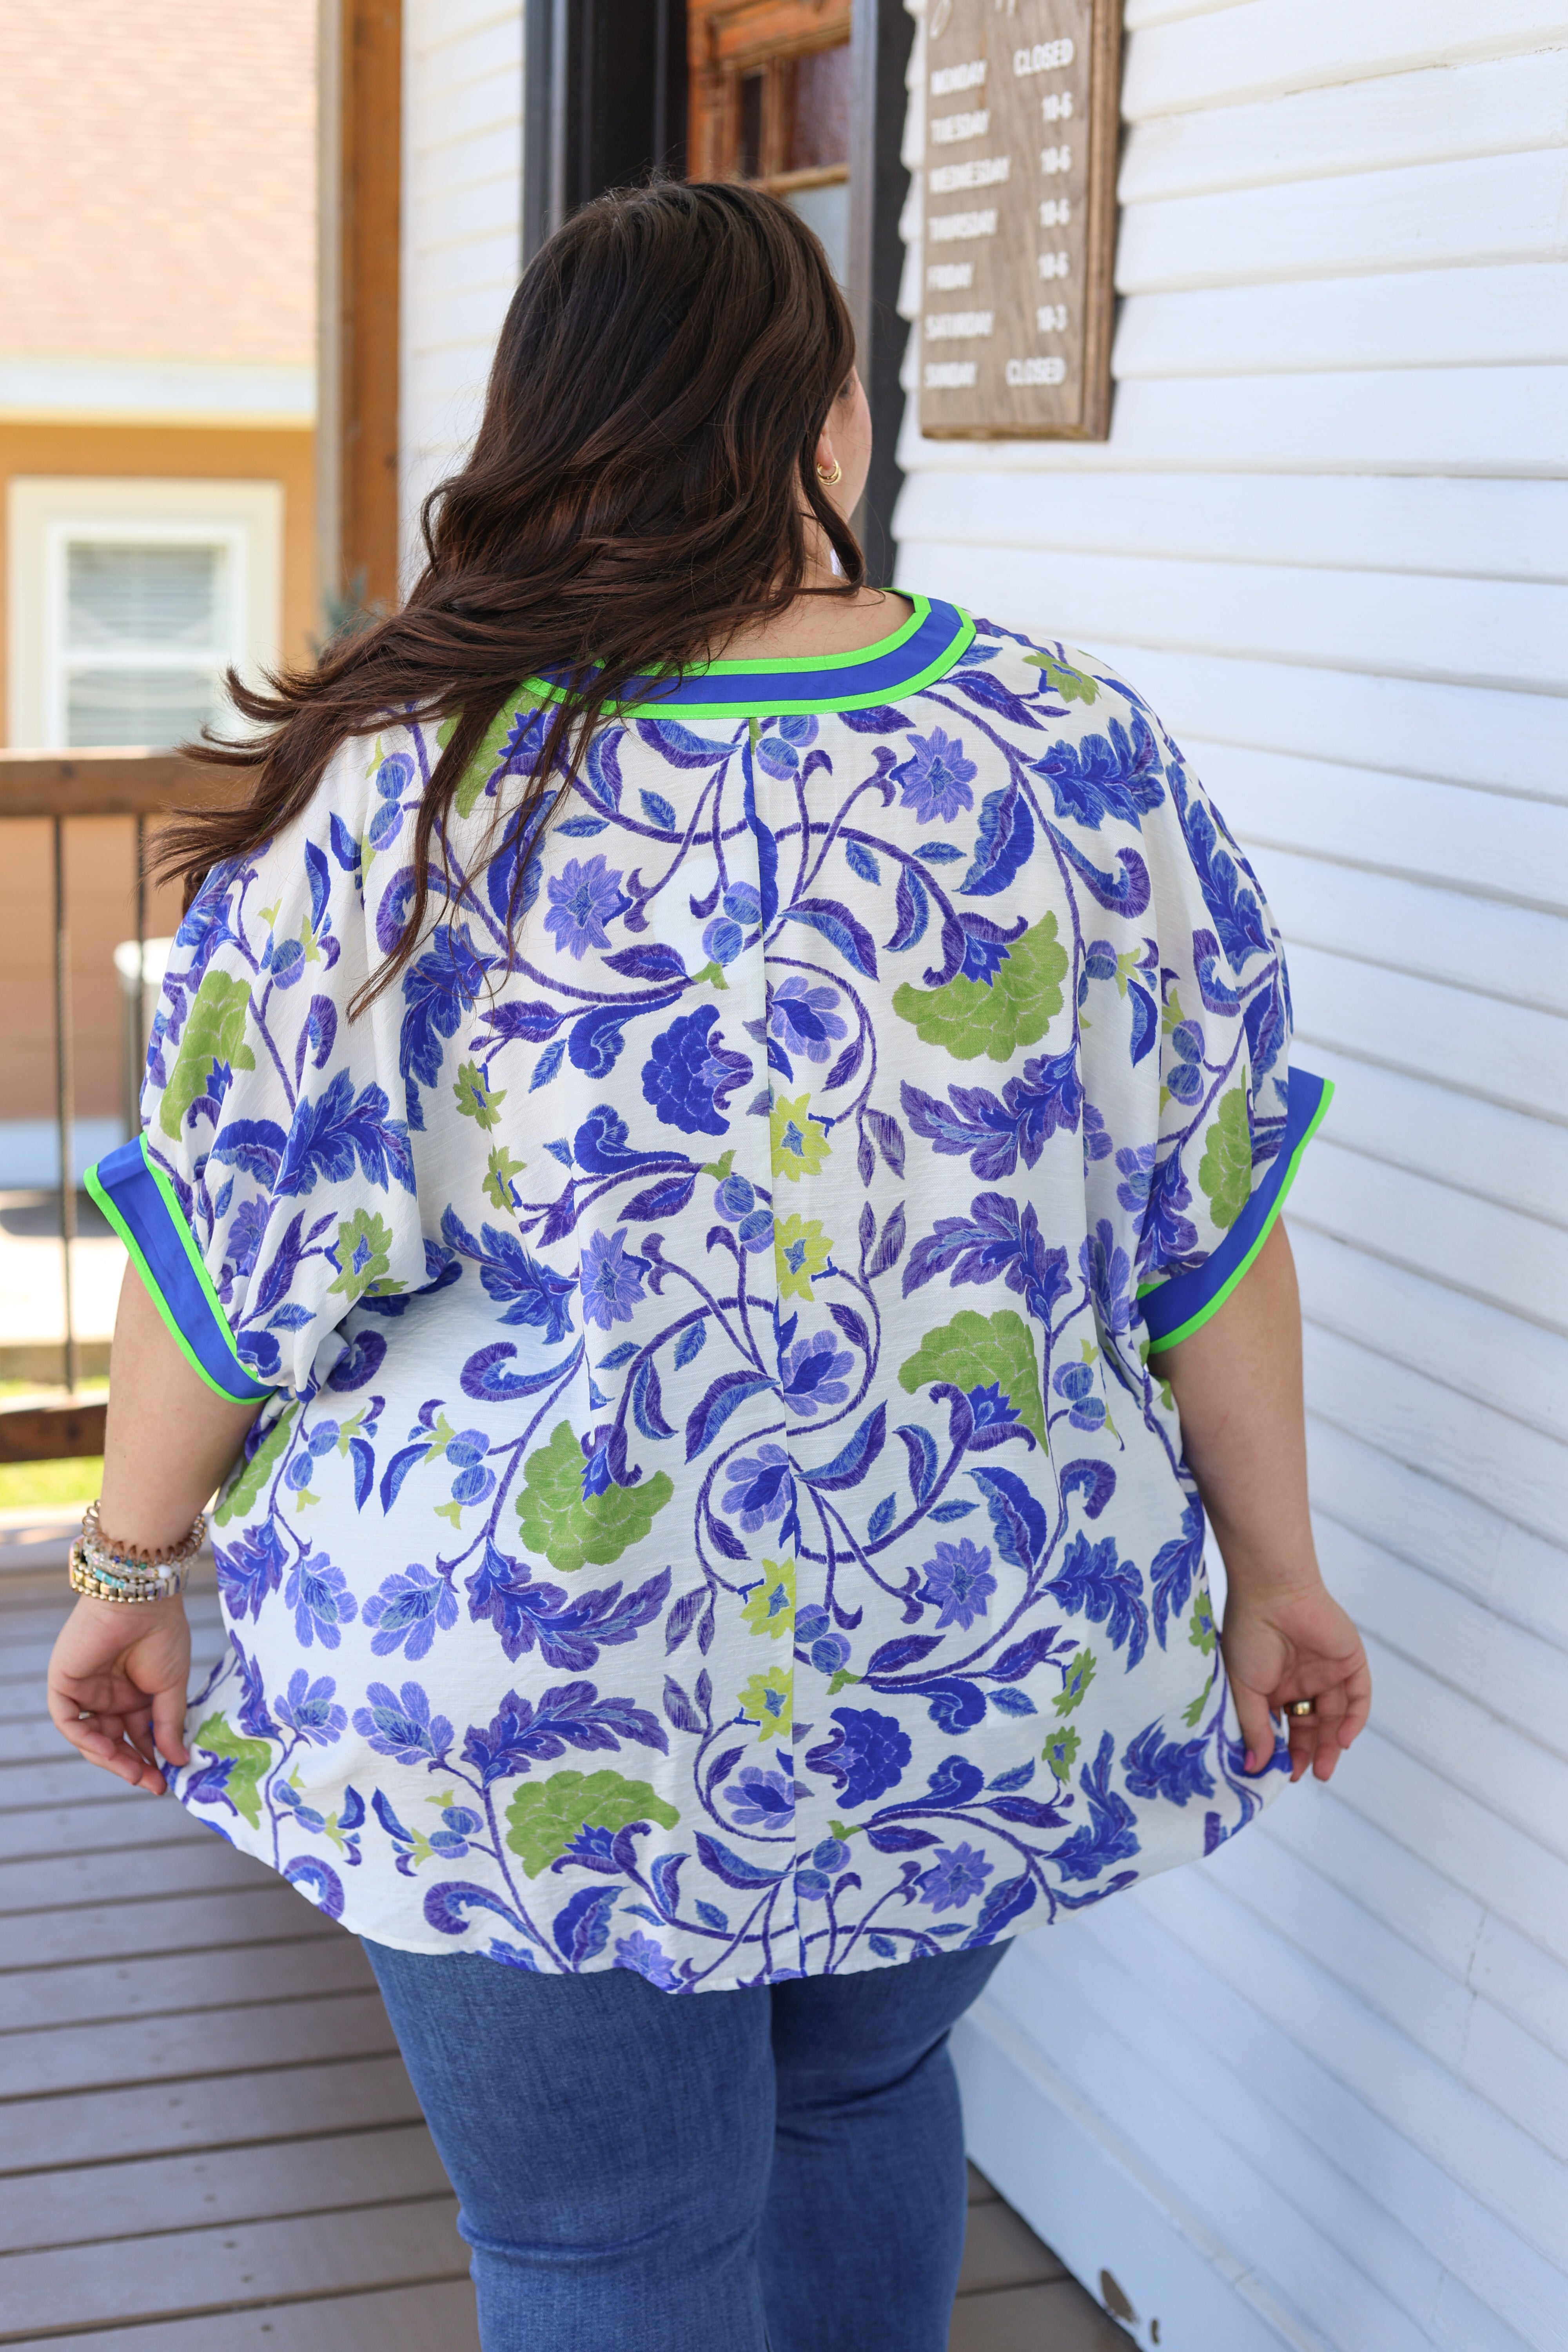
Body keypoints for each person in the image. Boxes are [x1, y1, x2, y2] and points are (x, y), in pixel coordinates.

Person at [47, 182, 1370, 2352]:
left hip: (509, 1674)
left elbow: (230, 1254)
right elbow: (1208, 1225)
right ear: (833, 425)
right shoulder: (1071, 751)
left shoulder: (417, 776)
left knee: (605, 2241)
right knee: (862, 2097)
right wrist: (1280, 1571)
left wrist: (126, 1566)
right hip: (969, 1643)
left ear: (541, 429)